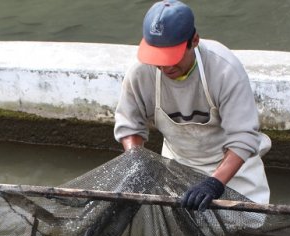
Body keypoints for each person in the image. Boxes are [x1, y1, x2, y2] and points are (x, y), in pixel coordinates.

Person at [114, 0, 271, 210]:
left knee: (247, 228)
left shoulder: (223, 69)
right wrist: (136, 164)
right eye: (158, 57)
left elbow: (243, 138)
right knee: (183, 227)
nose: (165, 66)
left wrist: (214, 183)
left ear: (194, 40)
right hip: (177, 166)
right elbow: (130, 126)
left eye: (172, 56)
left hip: (234, 171)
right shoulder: (141, 72)